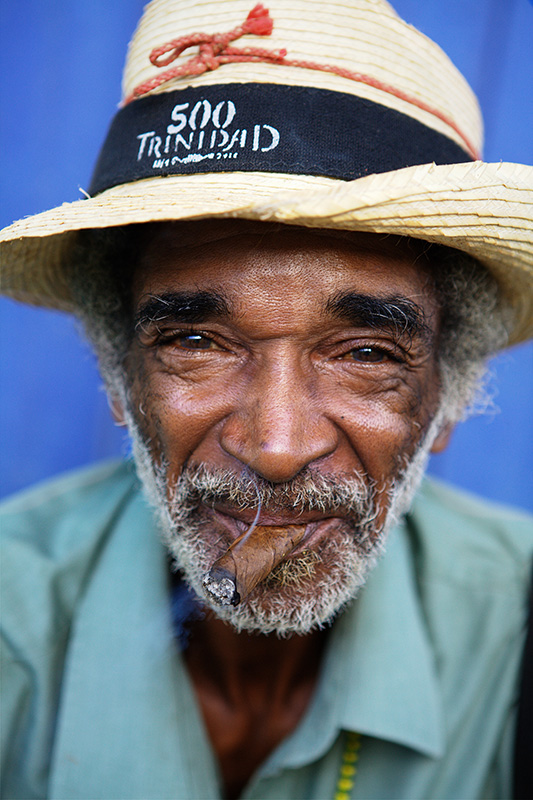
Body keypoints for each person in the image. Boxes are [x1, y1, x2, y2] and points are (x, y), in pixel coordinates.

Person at [1, 1, 532, 798]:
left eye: (365, 354)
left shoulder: (514, 628)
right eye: (195, 343)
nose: (277, 446)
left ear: (448, 399)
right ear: (119, 379)